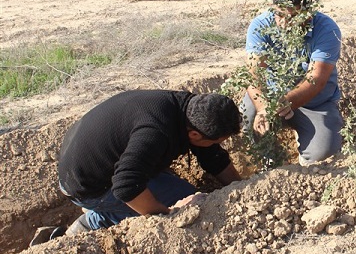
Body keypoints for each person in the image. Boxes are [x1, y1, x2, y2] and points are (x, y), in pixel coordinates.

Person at [55, 89, 242, 236]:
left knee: (173, 187)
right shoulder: (156, 132)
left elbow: (211, 154)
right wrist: (168, 214)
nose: (217, 146)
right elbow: (126, 186)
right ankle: (95, 221)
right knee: (195, 204)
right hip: (88, 187)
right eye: (217, 141)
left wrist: (240, 188)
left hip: (97, 160)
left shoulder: (187, 109)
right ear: (194, 134)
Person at [242, 0, 343, 165]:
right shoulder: (260, 26)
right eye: (279, 14)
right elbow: (253, 75)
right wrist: (264, 108)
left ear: (308, 13)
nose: (283, 23)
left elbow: (316, 80)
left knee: (323, 155)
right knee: (248, 115)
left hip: (315, 103)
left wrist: (288, 101)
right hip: (271, 98)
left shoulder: (327, 30)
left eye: (292, 16)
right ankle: (272, 165)